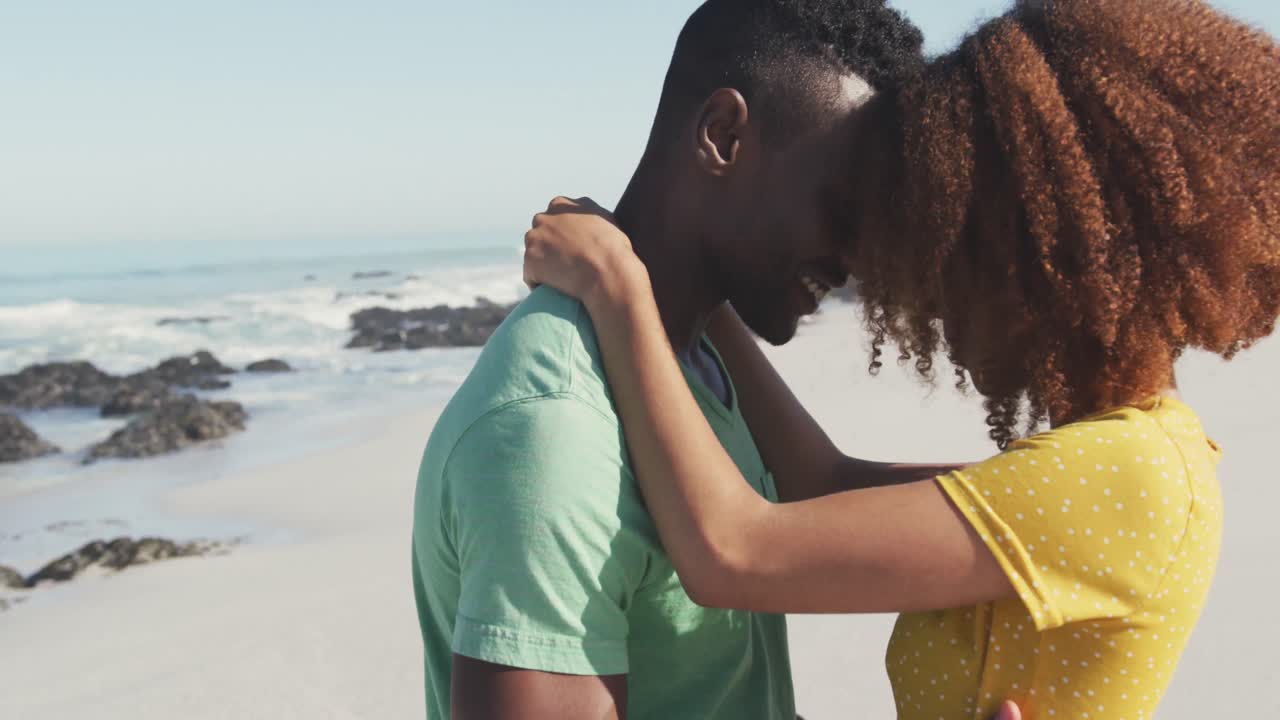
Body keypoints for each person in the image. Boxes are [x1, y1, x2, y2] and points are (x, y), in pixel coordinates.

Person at [521, 0, 1280, 718]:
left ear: (1046, 258)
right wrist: (686, 280)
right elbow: (820, 485)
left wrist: (616, 285)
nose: (918, 285)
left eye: (946, 244)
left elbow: (732, 550)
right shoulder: (1119, 458)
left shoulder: (1125, 475)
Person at [410, 1, 985, 718]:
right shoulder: (557, 427)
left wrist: (1072, 491)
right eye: (843, 204)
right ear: (722, 136)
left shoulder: (693, 350)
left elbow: (822, 490)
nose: (858, 254)